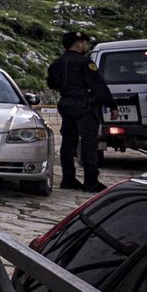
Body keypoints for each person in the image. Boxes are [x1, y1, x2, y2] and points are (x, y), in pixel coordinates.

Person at [46, 30, 114, 191]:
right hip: (84, 106)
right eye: (85, 43)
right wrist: (112, 105)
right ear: (79, 43)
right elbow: (98, 86)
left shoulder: (57, 63)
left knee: (68, 143)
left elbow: (52, 84)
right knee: (89, 143)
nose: (86, 46)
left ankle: (68, 178)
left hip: (66, 103)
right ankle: (91, 181)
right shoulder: (85, 63)